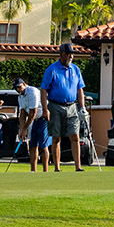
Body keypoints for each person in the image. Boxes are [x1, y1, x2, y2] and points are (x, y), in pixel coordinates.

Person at [39, 42, 88, 172]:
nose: (70, 57)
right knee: (56, 138)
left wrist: (82, 107)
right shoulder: (52, 69)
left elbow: (80, 90)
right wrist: (45, 109)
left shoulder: (75, 69)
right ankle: (57, 168)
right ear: (61, 54)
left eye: (72, 54)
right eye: (68, 54)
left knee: (75, 136)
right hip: (55, 106)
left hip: (72, 106)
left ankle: (78, 167)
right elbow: (43, 90)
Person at [14, 75, 43, 165]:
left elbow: (32, 112)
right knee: (32, 145)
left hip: (43, 118)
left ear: (24, 84)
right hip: (33, 120)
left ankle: (45, 170)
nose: (18, 90)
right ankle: (33, 170)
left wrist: (25, 129)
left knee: (43, 146)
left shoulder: (32, 91)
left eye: (19, 87)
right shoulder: (20, 97)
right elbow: (22, 114)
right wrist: (21, 130)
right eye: (16, 88)